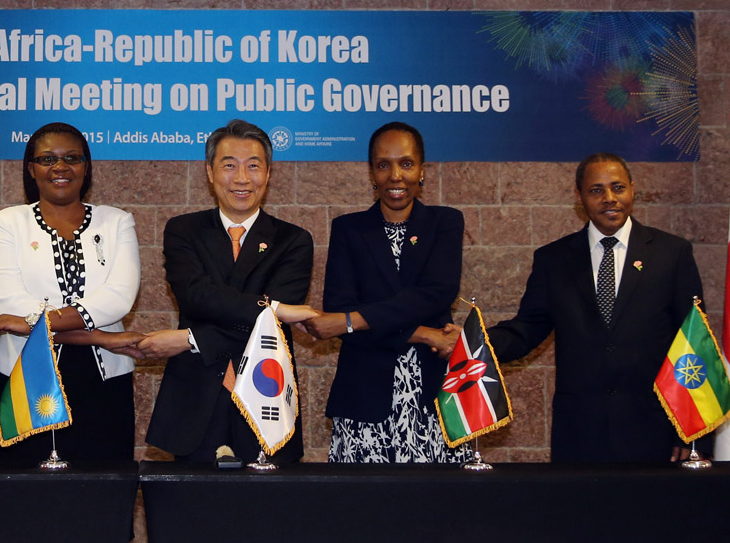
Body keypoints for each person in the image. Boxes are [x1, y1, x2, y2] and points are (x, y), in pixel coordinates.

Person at [487, 152, 706, 462]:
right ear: (579, 197)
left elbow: (693, 345)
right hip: (579, 432)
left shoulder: (672, 254)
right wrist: (474, 342)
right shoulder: (554, 260)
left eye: (618, 188)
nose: (609, 199)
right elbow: (526, 329)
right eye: (596, 190)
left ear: (633, 189)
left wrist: (690, 433)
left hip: (654, 431)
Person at [141, 119, 316, 463]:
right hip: (197, 398)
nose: (241, 179)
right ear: (209, 172)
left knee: (267, 514)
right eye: (229, 165)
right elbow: (197, 296)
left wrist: (190, 339)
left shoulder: (293, 240)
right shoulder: (183, 230)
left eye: (253, 166)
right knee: (192, 513)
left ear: (268, 174)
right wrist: (275, 308)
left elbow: (269, 329)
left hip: (267, 396)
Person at [302, 122, 471, 463]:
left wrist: (355, 319)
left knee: (438, 511)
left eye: (406, 164)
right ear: (372, 174)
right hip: (364, 401)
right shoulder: (348, 230)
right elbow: (339, 310)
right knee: (362, 512)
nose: (396, 175)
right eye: (383, 165)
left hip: (434, 402)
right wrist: (424, 334)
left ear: (422, 171)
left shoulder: (445, 223)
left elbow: (435, 293)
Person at [0, 122, 143, 466]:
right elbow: (9, 302)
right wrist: (98, 336)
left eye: (72, 158)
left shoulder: (117, 222)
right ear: (31, 169)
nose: (60, 167)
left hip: (103, 379)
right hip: (26, 374)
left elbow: (119, 298)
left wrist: (34, 322)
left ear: (86, 167)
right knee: (25, 496)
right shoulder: (7, 222)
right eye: (47, 159)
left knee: (101, 492)